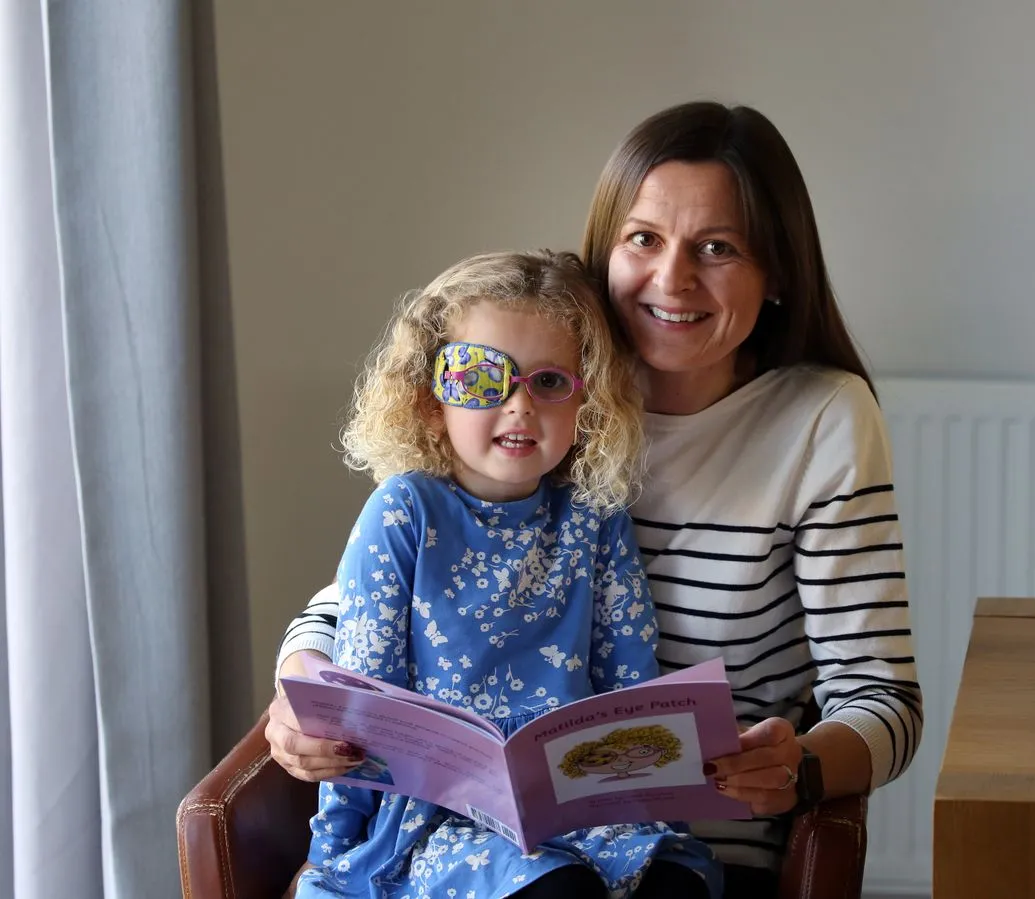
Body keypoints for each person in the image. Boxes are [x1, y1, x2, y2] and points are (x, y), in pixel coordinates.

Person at [270, 102, 924, 895]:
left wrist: (804, 766)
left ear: (778, 271)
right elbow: (377, 591)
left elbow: (882, 695)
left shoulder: (820, 418)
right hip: (475, 836)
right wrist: (301, 683)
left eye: (717, 248)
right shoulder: (545, 392)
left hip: (696, 844)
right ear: (605, 247)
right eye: (643, 238)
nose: (672, 278)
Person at [292, 249, 720, 899]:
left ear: (587, 404)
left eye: (549, 382)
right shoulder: (403, 512)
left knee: (676, 879)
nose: (519, 406)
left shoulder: (595, 518)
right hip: (438, 820)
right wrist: (336, 854)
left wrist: (660, 810)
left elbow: (630, 685)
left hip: (580, 804)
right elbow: (364, 703)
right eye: (480, 378)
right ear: (431, 399)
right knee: (555, 889)